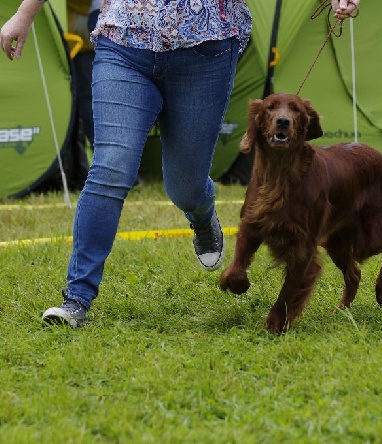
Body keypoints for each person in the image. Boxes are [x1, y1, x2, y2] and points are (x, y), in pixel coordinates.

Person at [0, 0, 361, 328]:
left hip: (206, 49)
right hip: (123, 41)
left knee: (184, 184)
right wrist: (23, 14)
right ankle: (76, 298)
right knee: (111, 169)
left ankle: (202, 214)